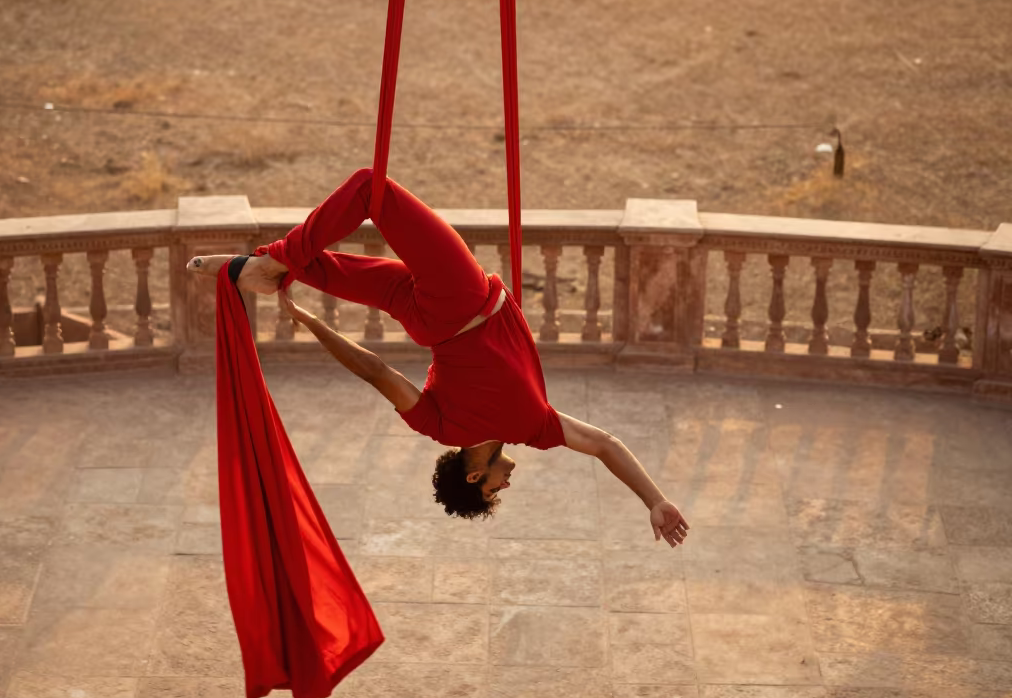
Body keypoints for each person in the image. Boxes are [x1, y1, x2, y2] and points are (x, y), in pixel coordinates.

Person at [188, 168, 689, 546]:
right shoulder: (501, 429)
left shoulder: (512, 426)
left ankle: (272, 259)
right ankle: (255, 269)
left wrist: (315, 324)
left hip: (460, 299)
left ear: (475, 477)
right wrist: (654, 499)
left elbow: (375, 370)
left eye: (493, 491)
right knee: (326, 268)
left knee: (371, 189)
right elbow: (606, 445)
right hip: (426, 317)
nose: (504, 485)